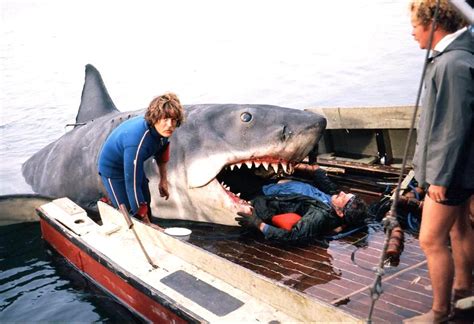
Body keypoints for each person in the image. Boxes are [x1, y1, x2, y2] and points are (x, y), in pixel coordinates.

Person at [404, 1, 474, 322]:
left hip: (451, 174)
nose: (412, 32)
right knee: (459, 228)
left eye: (415, 25)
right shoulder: (453, 58)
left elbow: (454, 128)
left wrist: (440, 178)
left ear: (433, 23)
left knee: (431, 240)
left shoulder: (452, 65)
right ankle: (464, 291)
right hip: (460, 170)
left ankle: (438, 313)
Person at [97, 92, 185, 223]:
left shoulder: (162, 131)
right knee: (129, 214)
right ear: (155, 118)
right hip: (113, 170)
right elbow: (132, 185)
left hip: (131, 162)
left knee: (145, 200)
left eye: (173, 120)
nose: (170, 125)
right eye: (165, 119)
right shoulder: (138, 142)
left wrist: (163, 180)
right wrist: (145, 222)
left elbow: (162, 152)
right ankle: (115, 207)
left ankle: (148, 224)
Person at [235, 169, 368, 244]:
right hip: (275, 183)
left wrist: (257, 223)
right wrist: (317, 172)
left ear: (340, 213)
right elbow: (332, 188)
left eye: (344, 197)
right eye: (346, 194)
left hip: (261, 195)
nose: (342, 192)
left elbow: (293, 236)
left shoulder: (319, 215)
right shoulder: (334, 201)